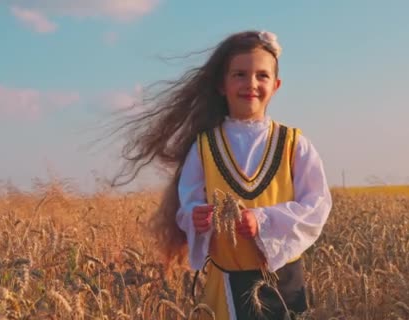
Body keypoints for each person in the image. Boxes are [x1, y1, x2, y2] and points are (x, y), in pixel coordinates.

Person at [110, 30, 332, 319]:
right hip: (226, 283)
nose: (250, 83)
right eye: (239, 74)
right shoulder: (204, 147)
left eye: (261, 76)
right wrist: (196, 217)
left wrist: (263, 221)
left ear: (276, 86)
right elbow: (186, 204)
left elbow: (316, 205)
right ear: (221, 84)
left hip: (284, 282)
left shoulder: (294, 144)